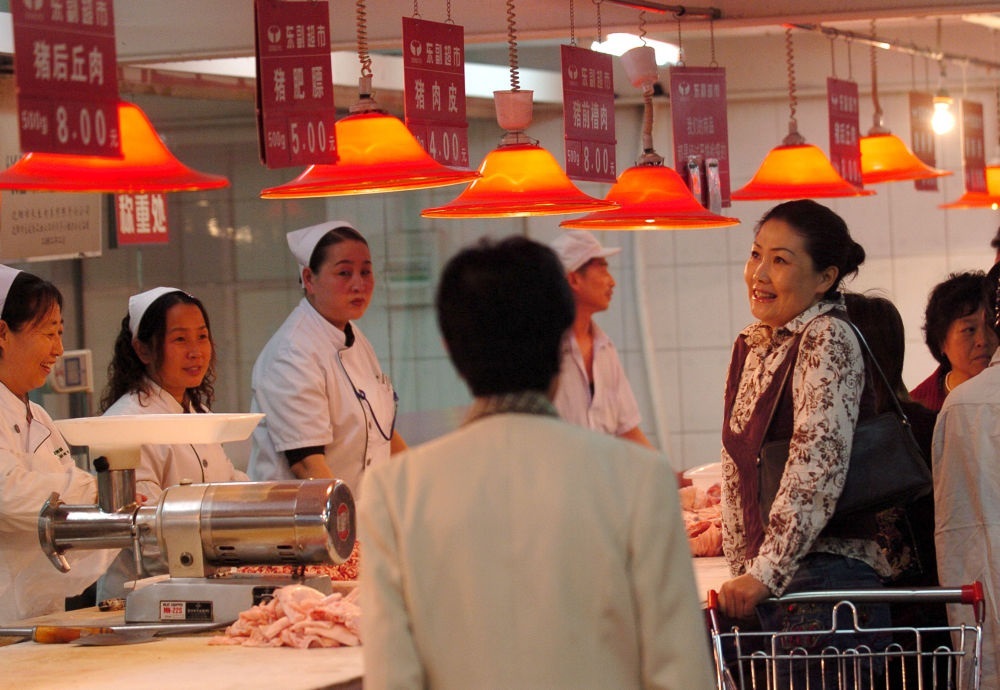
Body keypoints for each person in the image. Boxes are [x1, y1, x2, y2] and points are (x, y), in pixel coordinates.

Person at [359, 236, 714, 690]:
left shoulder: (396, 491)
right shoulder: (640, 480)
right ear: (563, 333)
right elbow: (681, 673)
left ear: (450, 346)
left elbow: (393, 679)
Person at [717, 200, 890, 679]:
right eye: (756, 254)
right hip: (773, 586)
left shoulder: (826, 336)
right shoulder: (751, 345)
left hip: (829, 587)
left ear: (824, 278)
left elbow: (816, 467)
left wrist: (764, 572)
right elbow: (734, 471)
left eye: (780, 260)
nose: (759, 274)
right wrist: (743, 572)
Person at [96, 286, 249, 600]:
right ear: (143, 350)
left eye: (202, 337)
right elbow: (148, 530)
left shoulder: (197, 412)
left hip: (201, 586)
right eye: (180, 339)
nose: (195, 351)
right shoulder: (126, 422)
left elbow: (229, 486)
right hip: (141, 598)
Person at [248, 221, 405, 495]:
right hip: (307, 516)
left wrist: (423, 486)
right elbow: (308, 465)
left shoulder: (353, 336)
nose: (359, 284)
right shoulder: (292, 352)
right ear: (309, 279)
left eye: (365, 271)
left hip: (357, 509)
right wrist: (347, 517)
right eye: (344, 273)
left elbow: (383, 434)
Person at [0, 265, 118, 623]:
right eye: (49, 333)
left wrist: (112, 508)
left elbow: (66, 497)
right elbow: (8, 493)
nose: (59, 349)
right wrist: (94, 493)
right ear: (3, 333)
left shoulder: (37, 415)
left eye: (61, 333)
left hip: (36, 613)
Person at [932, 260, 1000, 689]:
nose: (982, 340)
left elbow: (958, 535)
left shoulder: (963, 406)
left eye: (987, 326)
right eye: (968, 329)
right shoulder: (940, 408)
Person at [548, 230, 653, 448]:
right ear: (574, 279)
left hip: (601, 471)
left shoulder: (605, 349)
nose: (612, 282)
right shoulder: (544, 350)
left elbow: (628, 431)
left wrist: (667, 469)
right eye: (603, 268)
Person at [909, 271, 998, 412]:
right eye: (969, 330)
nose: (982, 341)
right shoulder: (918, 408)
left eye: (991, 326)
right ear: (941, 341)